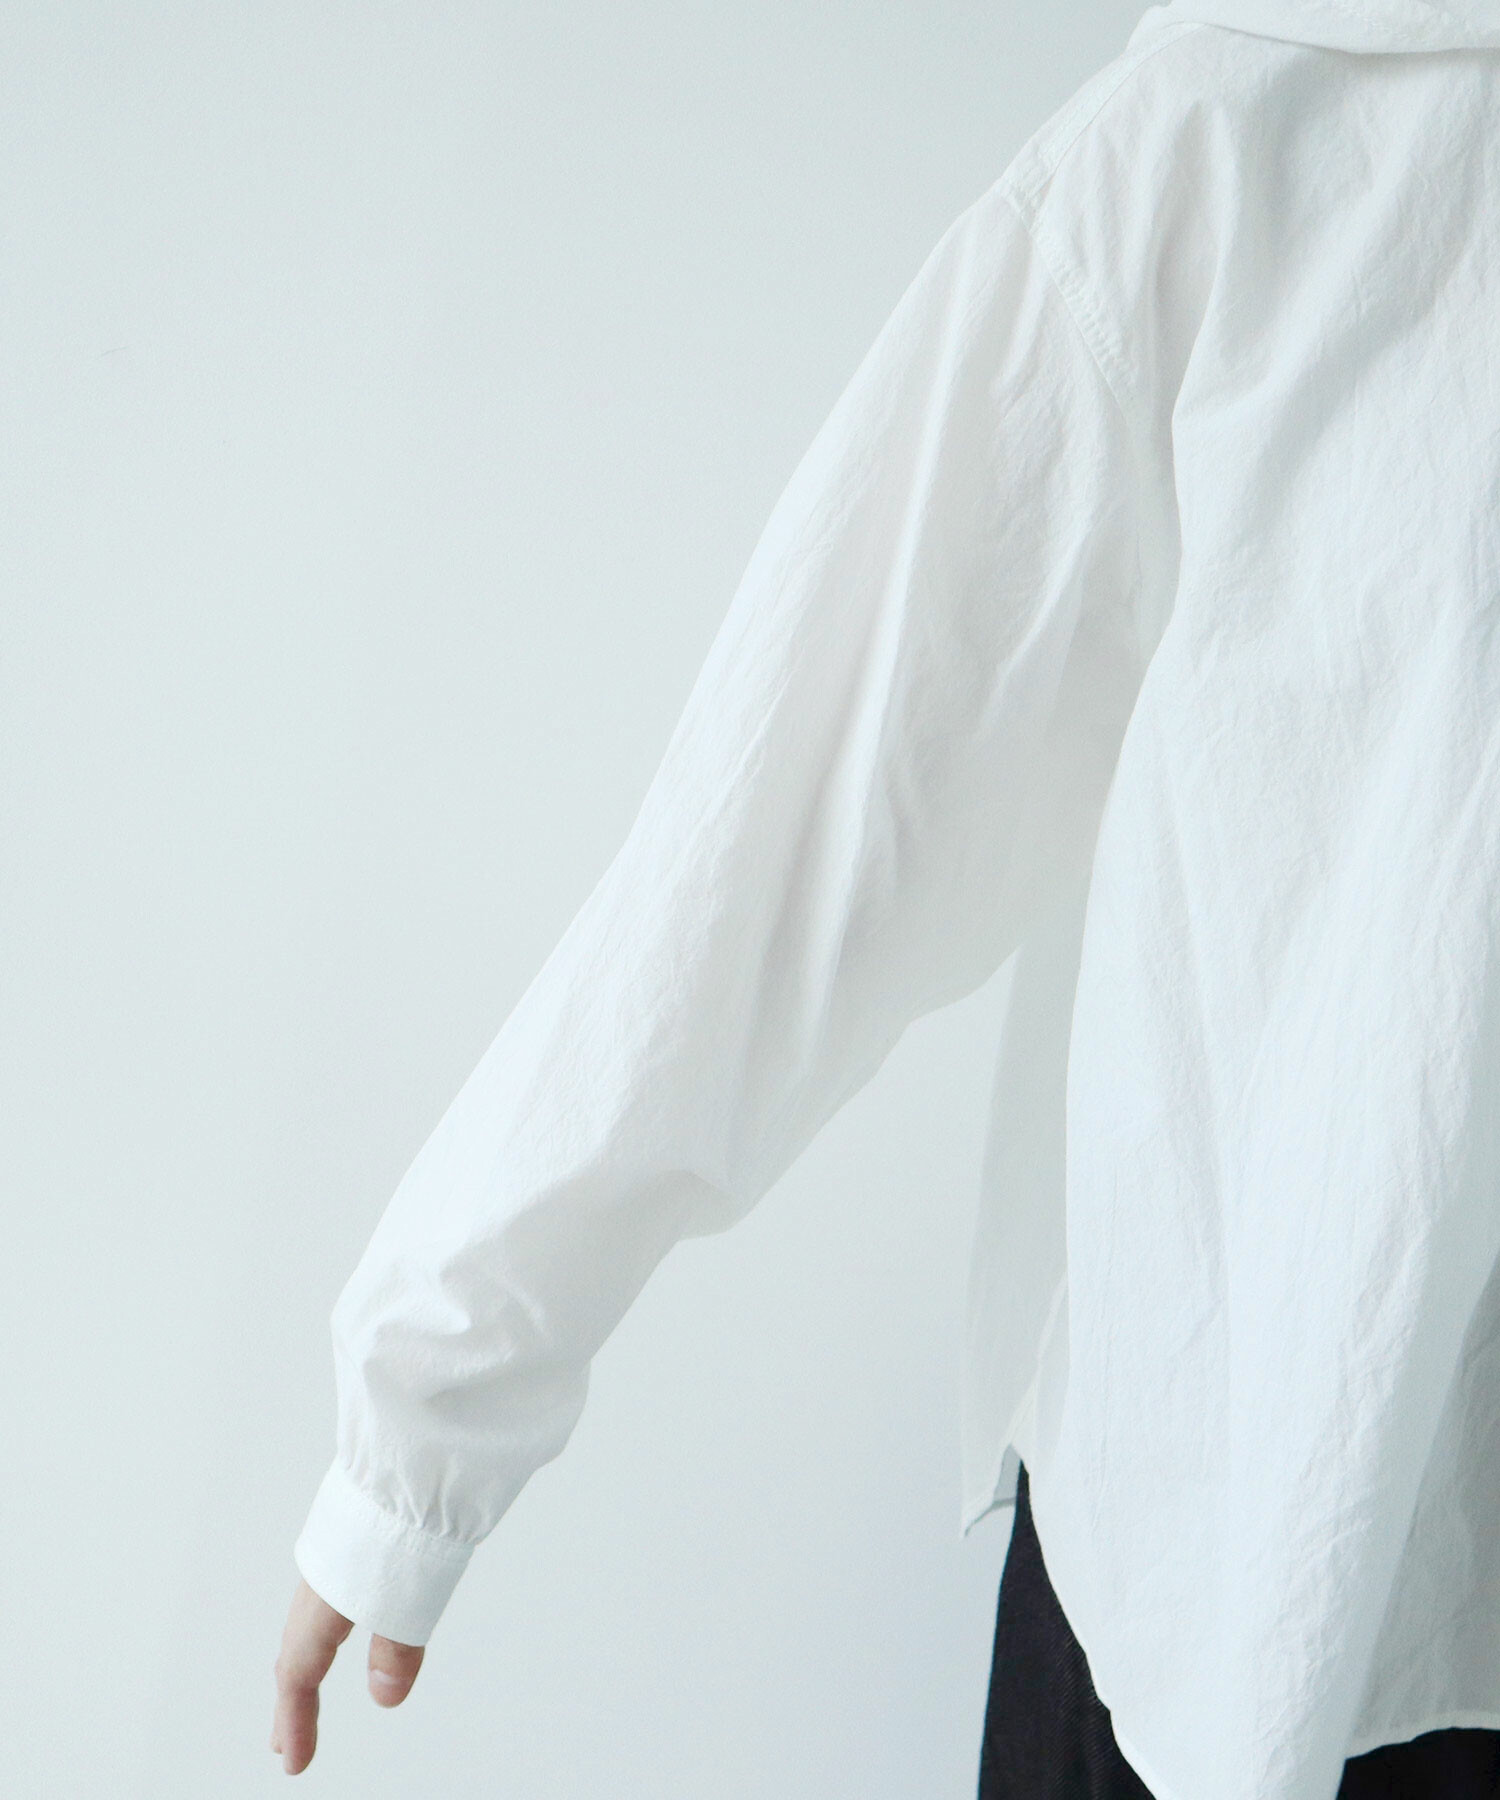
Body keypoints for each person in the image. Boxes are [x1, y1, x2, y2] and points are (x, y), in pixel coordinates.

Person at [269, 1, 1500, 1794]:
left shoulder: (1242, 133)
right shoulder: (1238, 139)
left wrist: (422, 1425)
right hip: (1278, 1552)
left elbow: (820, 813)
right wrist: (423, 1422)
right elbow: (826, 801)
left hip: (1267, 1556)